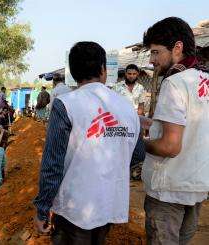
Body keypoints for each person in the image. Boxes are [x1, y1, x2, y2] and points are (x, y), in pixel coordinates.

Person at [34, 41, 144, 244]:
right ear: (103, 70)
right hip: (110, 203)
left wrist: (42, 209)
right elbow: (137, 155)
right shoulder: (128, 108)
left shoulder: (66, 104)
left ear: (74, 73)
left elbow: (52, 164)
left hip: (74, 208)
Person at [141, 17, 209, 244]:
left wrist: (139, 143)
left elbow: (170, 146)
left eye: (155, 52)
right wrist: (155, 126)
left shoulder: (175, 83)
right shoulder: (205, 79)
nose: (151, 60)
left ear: (177, 48)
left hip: (168, 190)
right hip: (197, 187)